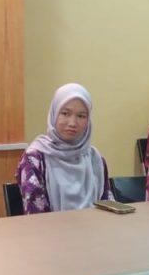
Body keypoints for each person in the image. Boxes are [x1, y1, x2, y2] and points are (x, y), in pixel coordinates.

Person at [17, 83, 112, 213]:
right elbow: (36, 216)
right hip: (51, 226)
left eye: (81, 116)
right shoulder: (35, 159)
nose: (72, 123)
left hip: (96, 225)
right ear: (54, 114)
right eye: (65, 113)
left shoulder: (95, 159)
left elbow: (108, 208)